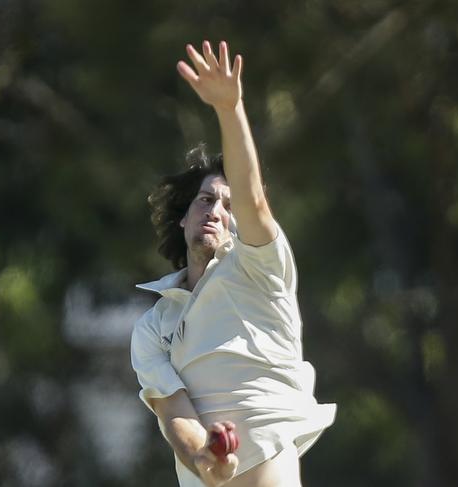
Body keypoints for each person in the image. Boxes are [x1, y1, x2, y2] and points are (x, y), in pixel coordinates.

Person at [130, 40, 336, 487]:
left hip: (269, 467)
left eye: (228, 205)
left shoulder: (260, 268)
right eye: (205, 200)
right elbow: (174, 414)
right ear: (185, 217)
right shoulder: (154, 324)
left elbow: (255, 201)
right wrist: (206, 459)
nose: (217, 211)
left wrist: (229, 107)